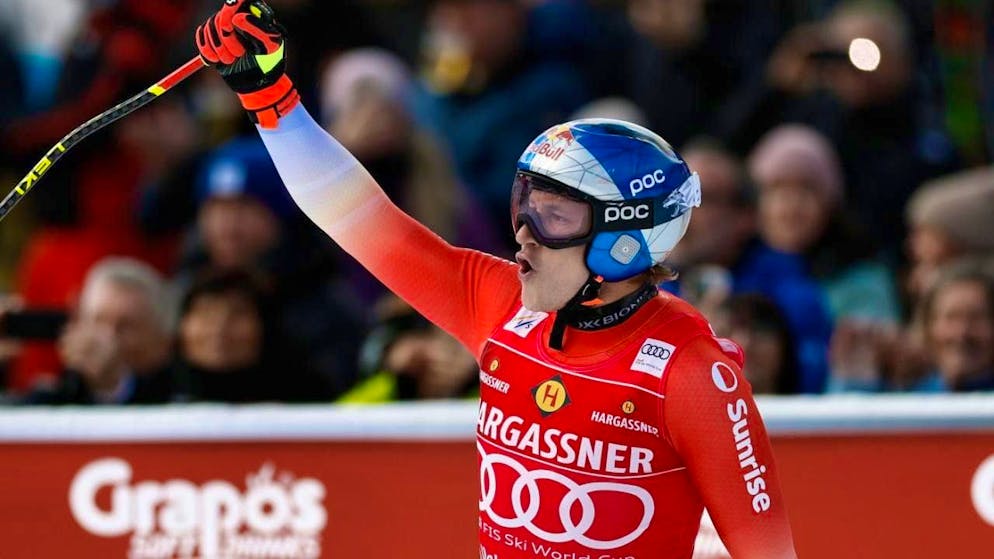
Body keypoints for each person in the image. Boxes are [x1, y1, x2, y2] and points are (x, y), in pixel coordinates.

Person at [194, 2, 797, 557]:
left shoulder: (690, 372)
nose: (525, 233)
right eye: (525, 206)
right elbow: (358, 218)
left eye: (555, 216)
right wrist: (270, 96)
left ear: (626, 240)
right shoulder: (500, 300)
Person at [20, 258, 177, 405]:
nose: (107, 337)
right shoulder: (52, 395)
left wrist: (114, 384)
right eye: (98, 321)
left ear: (162, 338)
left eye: (125, 326)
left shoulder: (182, 392)